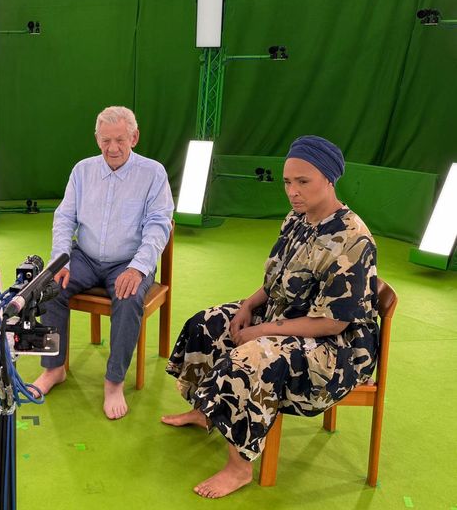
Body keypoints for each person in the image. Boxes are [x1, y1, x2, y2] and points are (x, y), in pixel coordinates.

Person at [162, 135, 379, 499]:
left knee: (252, 357)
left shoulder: (353, 238)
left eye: (303, 181)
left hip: (335, 347)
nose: (292, 191)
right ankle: (207, 410)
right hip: (288, 315)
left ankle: (239, 467)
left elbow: (333, 321)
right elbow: (276, 279)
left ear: (329, 179)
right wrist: (248, 306)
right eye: (287, 182)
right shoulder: (297, 219)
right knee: (207, 323)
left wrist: (262, 329)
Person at [31, 106, 174, 419]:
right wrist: (60, 261)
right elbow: (65, 216)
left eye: (120, 140)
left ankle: (114, 381)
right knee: (50, 287)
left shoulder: (153, 173)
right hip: (85, 255)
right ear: (97, 139)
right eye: (106, 140)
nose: (113, 148)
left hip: (129, 260)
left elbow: (159, 224)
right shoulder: (82, 170)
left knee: (128, 296)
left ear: (134, 137)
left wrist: (138, 267)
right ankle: (54, 369)